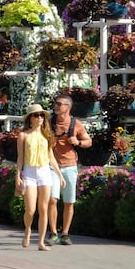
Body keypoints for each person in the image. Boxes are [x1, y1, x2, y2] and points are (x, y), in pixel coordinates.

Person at [15, 103, 65, 251]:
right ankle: (28, 230)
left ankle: (41, 242)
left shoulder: (47, 135)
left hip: (44, 172)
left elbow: (51, 156)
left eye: (41, 115)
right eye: (36, 115)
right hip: (30, 172)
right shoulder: (23, 135)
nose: (39, 118)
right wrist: (18, 175)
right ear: (30, 118)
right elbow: (20, 157)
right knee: (30, 210)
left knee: (43, 208)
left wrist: (59, 175)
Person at [47, 94, 92, 246]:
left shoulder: (75, 123)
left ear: (68, 107)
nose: (56, 106)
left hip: (70, 166)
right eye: (56, 103)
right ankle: (53, 233)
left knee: (69, 202)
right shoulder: (49, 122)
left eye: (60, 104)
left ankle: (65, 234)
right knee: (52, 199)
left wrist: (78, 142)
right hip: (52, 166)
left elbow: (88, 141)